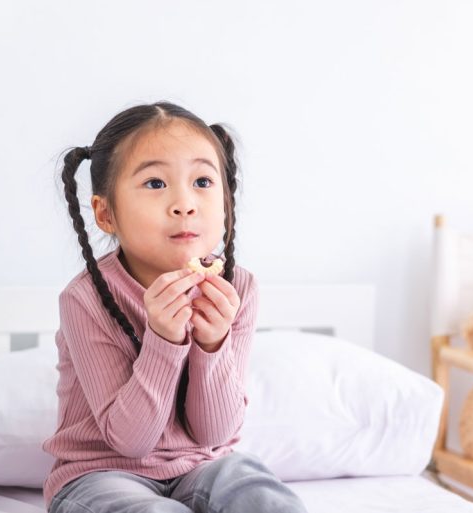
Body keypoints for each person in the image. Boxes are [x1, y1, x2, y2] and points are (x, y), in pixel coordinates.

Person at [42, 102, 307, 513]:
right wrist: (164, 340)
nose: (184, 203)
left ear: (226, 203)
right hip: (100, 474)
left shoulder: (237, 288)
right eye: (154, 184)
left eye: (202, 181)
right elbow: (130, 440)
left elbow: (213, 433)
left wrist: (213, 342)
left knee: (255, 489)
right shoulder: (86, 298)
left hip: (202, 465)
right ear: (106, 213)